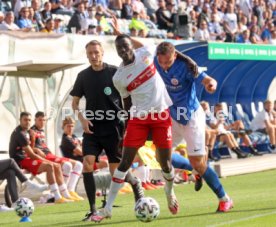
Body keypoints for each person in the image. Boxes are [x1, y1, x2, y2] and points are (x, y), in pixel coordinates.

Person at [96, 16, 178, 222]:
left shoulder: (145, 53)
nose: (123, 51)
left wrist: (119, 32)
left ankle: (169, 193)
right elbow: (126, 102)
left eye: (126, 46)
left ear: (131, 45)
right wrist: (126, 125)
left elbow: (143, 44)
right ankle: (107, 209)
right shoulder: (119, 77)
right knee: (124, 162)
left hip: (160, 115)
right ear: (117, 52)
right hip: (139, 118)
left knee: (165, 164)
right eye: (119, 49)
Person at [154, 42, 233, 212]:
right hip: (173, 116)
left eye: (168, 62)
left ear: (174, 56)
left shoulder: (187, 66)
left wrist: (210, 84)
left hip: (191, 116)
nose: (164, 66)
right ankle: (194, 170)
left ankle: (224, 198)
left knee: (198, 161)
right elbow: (140, 48)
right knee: (161, 157)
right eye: (162, 62)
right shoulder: (155, 62)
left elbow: (207, 79)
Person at [70, 39, 144, 222]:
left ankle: (136, 184)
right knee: (87, 163)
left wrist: (128, 122)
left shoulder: (114, 72)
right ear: (87, 55)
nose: (94, 56)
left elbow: (128, 98)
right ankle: (93, 210)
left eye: (96, 52)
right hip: (92, 128)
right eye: (90, 53)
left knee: (115, 172)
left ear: (102, 53)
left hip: (114, 128)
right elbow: (74, 103)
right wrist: (82, 119)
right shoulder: (82, 76)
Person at [9, 112, 73, 204]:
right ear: (20, 120)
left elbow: (31, 148)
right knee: (50, 166)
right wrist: (46, 160)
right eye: (25, 120)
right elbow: (31, 154)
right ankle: (57, 197)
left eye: (29, 120)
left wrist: (33, 138)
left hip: (26, 158)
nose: (27, 122)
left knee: (57, 166)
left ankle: (65, 194)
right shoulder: (20, 134)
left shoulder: (26, 132)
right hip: (20, 161)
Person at [30, 111, 84, 201]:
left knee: (79, 165)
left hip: (49, 155)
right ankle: (63, 193)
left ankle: (70, 191)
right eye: (40, 120)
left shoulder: (41, 131)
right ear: (35, 120)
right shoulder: (32, 131)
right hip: (44, 157)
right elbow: (29, 148)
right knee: (68, 165)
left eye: (44, 120)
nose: (42, 122)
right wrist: (37, 150)